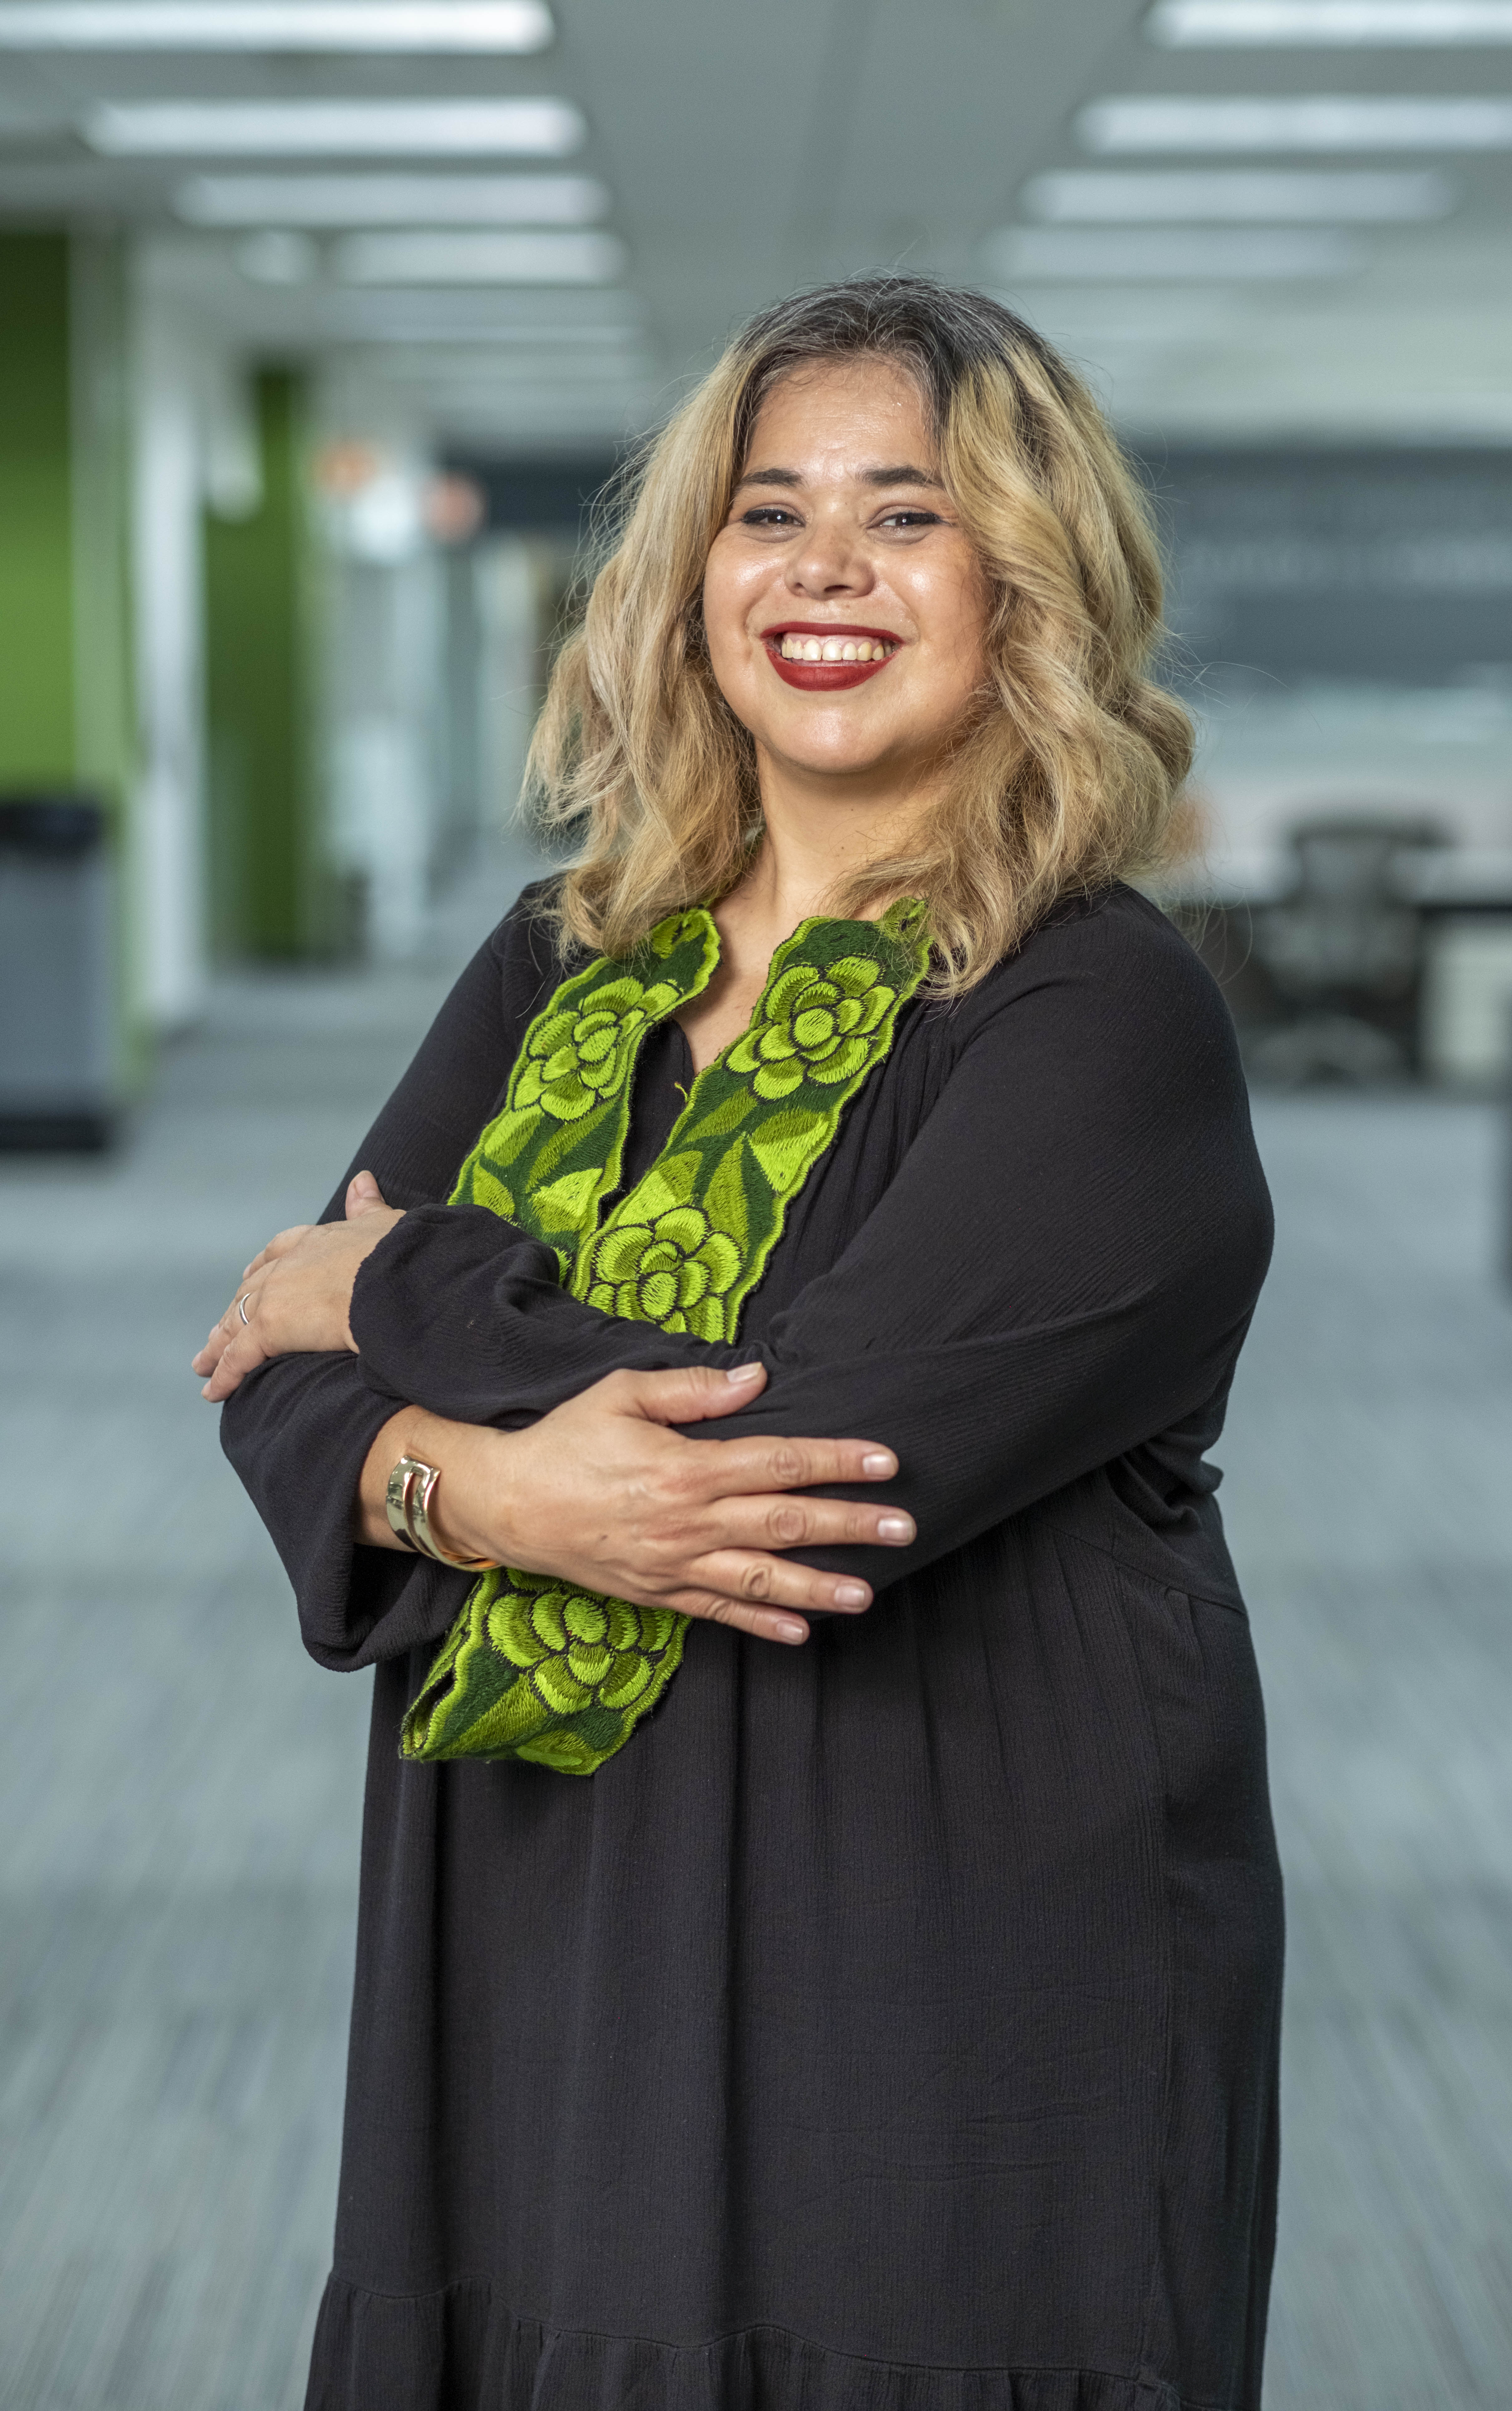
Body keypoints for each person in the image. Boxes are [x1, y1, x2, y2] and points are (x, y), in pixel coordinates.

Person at [198, 276, 1281, 2411]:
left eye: (909, 516)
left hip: (942, 1978)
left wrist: (393, 1308)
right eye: (770, 512)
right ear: (692, 579)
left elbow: (802, 1459)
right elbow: (276, 1387)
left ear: (1029, 586)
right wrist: (483, 1484)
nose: (826, 570)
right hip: (539, 1912)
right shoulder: (562, 967)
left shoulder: (1095, 1012)